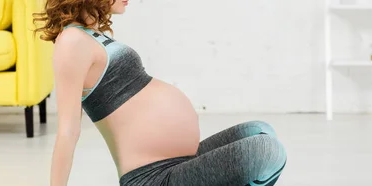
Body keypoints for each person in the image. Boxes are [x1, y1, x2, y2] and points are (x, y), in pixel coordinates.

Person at [33, 0, 287, 185]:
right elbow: (68, 130)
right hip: (151, 177)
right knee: (266, 151)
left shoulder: (91, 36)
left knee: (258, 130)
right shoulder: (71, 41)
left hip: (177, 162)